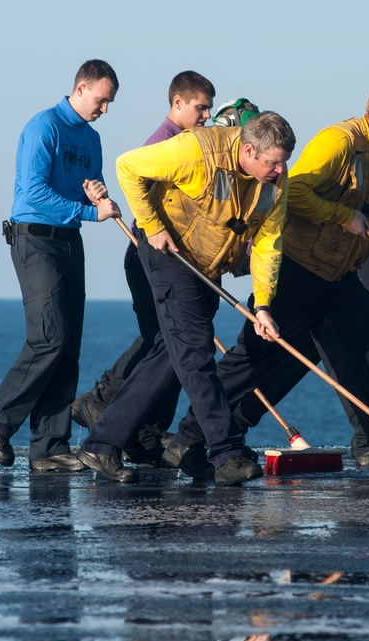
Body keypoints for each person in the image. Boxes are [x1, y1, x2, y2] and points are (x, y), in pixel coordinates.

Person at [167, 74, 369, 482]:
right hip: (298, 271)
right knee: (252, 362)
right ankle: (188, 438)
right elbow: (297, 191)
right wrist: (343, 216)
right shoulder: (338, 141)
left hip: (339, 278)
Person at [74, 111, 296, 484]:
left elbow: (269, 244)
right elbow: (127, 166)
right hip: (168, 253)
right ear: (247, 151)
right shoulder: (196, 149)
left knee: (169, 355)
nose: (279, 170)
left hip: (206, 268)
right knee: (194, 352)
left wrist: (263, 304)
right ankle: (226, 453)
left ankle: (102, 443)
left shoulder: (276, 182)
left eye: (283, 162)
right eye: (272, 162)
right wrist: (153, 225)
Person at [0, 59, 121, 472]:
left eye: (110, 103)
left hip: (70, 240)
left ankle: (51, 447)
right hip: (34, 237)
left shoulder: (91, 139)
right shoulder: (44, 126)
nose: (105, 109)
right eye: (101, 100)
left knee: (68, 345)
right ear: (80, 89)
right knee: (49, 338)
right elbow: (34, 192)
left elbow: (85, 187)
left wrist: (95, 193)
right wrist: (92, 213)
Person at [70, 71, 217, 466]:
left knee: (167, 343)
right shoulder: (164, 145)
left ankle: (141, 430)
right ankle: (103, 405)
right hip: (148, 253)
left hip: (168, 257)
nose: (206, 115)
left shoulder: (189, 142)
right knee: (166, 343)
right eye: (201, 107)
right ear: (178, 103)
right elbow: (139, 194)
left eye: (209, 108)